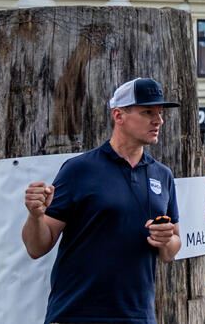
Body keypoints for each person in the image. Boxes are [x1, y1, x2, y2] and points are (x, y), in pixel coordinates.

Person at [22, 78, 181, 324]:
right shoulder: (79, 169)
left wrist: (166, 239)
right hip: (77, 313)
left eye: (160, 113)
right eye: (147, 112)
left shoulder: (163, 174)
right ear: (119, 115)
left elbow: (170, 251)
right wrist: (35, 215)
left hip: (138, 316)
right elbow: (37, 247)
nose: (158, 120)